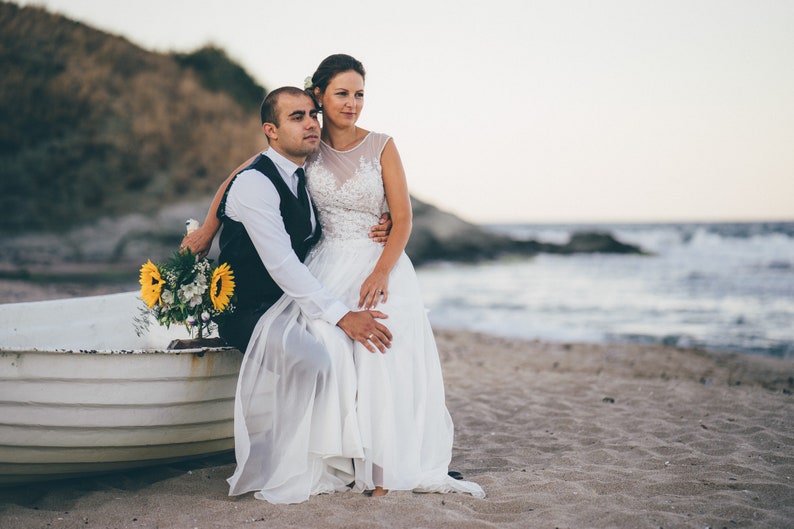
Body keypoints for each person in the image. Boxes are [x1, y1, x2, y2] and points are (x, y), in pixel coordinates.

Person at [187, 55, 484, 502]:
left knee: (385, 359)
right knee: (336, 353)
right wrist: (210, 226)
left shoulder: (381, 144)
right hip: (325, 265)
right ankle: (341, 458)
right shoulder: (307, 142)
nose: (352, 103)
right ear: (319, 96)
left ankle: (385, 462)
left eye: (359, 94)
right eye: (342, 93)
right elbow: (242, 175)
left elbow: (402, 218)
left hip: (376, 265)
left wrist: (382, 267)